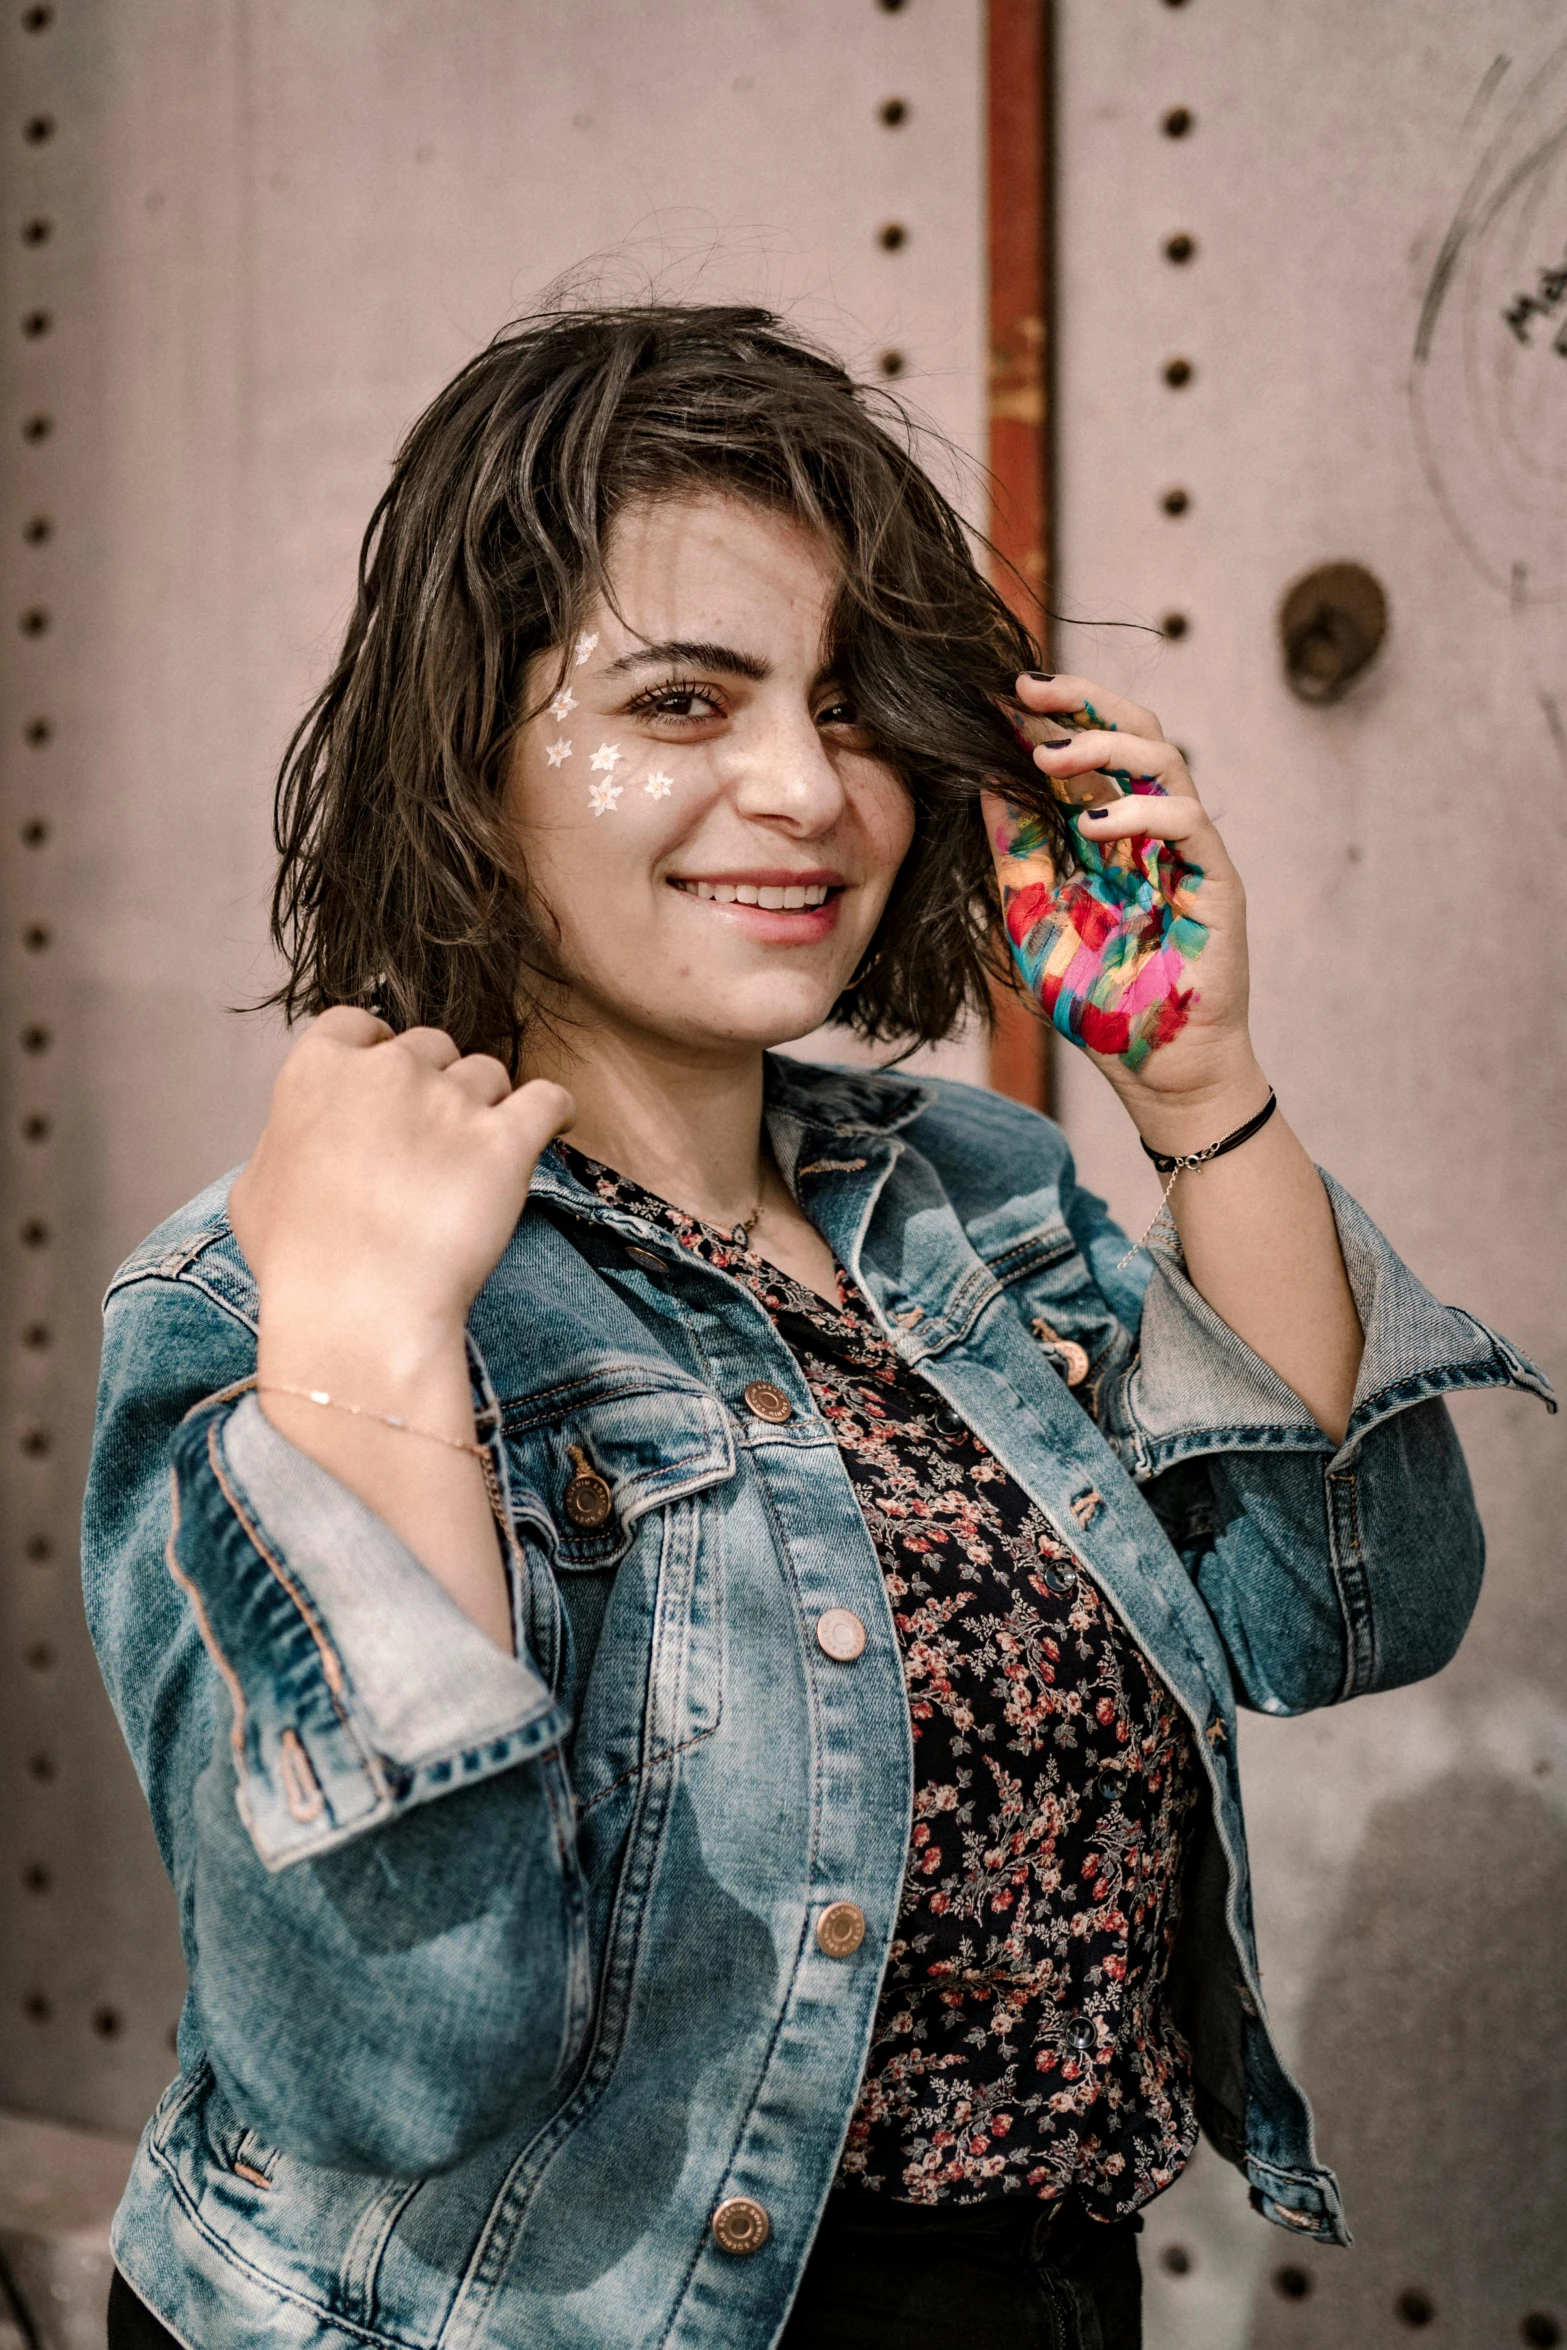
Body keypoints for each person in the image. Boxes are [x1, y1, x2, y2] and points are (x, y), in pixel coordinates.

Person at [84, 304, 1548, 2350]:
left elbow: (1342, 1610)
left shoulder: (977, 1192)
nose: (803, 788)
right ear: (468, 752)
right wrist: (360, 1347)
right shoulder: (268, 1285)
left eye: (855, 707)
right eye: (684, 702)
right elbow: (384, 2057)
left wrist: (1201, 1088)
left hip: (1030, 2293)